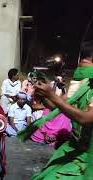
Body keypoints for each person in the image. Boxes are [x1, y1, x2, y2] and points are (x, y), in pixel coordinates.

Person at [27, 40, 93, 179]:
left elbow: (85, 118)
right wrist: (43, 96)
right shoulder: (83, 81)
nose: (80, 70)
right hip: (75, 148)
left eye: (86, 66)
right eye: (80, 65)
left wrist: (51, 95)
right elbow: (56, 108)